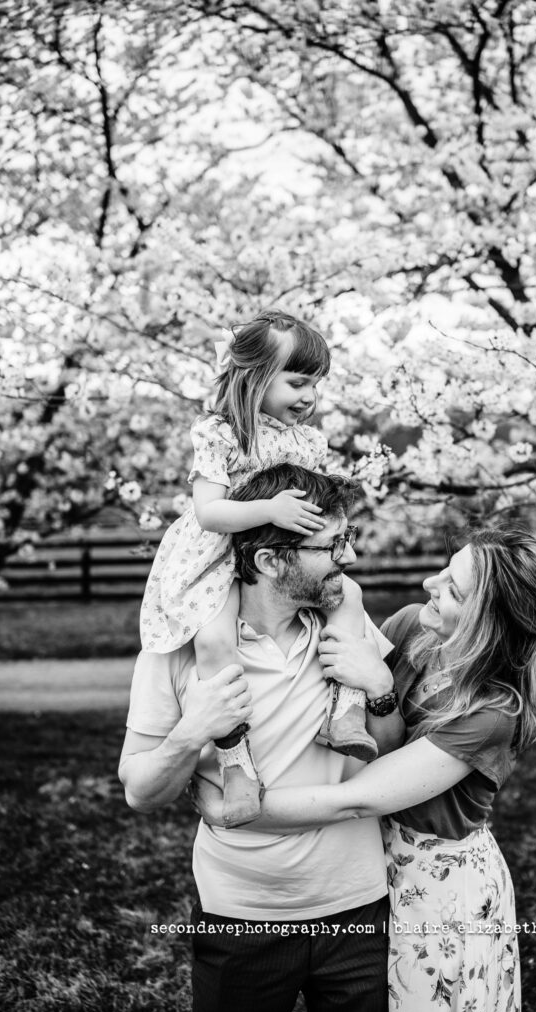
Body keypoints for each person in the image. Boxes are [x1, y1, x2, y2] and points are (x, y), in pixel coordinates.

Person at [193, 526, 536, 1012]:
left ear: (489, 622)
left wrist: (232, 807)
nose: (428, 583)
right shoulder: (414, 628)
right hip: (371, 865)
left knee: (423, 1007)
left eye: (453, 590)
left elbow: (360, 798)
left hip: (435, 885)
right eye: (446, 567)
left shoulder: (493, 712)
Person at [119, 464, 399, 1012]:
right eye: (330, 545)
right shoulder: (176, 654)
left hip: (358, 909)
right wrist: (192, 731)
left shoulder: (349, 627)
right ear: (270, 561)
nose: (348, 557)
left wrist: (381, 690)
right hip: (240, 918)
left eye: (347, 539)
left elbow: (389, 755)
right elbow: (141, 793)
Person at [139, 309, 378, 828]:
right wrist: (268, 511)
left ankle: (346, 709)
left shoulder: (308, 441)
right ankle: (235, 757)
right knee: (214, 641)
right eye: (297, 382)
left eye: (316, 384)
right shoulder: (223, 434)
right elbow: (210, 511)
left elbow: (318, 507)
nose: (309, 396)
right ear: (254, 377)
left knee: (351, 600)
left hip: (277, 555)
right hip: (221, 556)